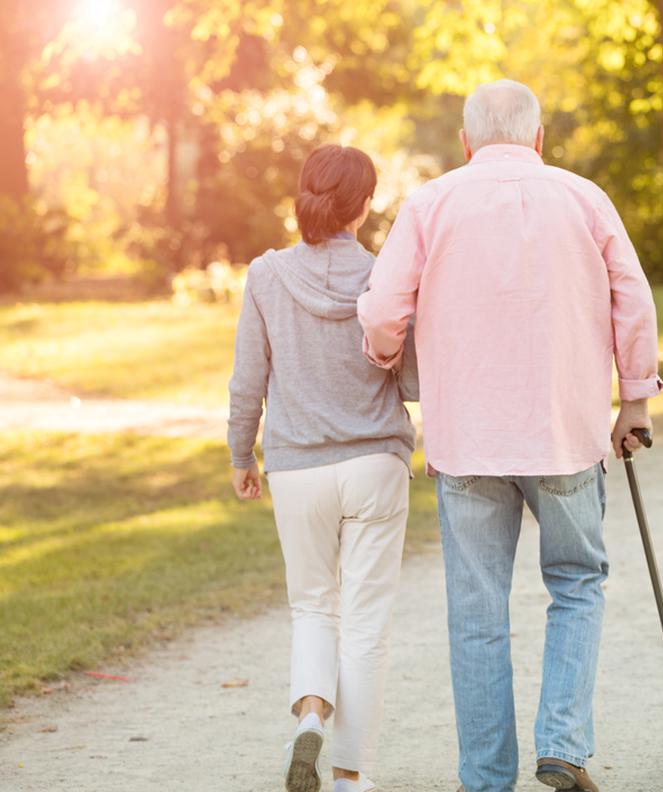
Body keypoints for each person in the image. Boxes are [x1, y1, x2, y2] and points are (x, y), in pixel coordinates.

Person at [358, 79, 663, 792]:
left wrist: (384, 358)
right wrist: (637, 401)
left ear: (466, 143)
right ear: (539, 137)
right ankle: (561, 742)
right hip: (567, 431)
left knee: (476, 612)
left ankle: (486, 779)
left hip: (468, 440)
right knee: (578, 583)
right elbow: (633, 296)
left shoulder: (430, 204)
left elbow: (380, 313)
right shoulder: (585, 199)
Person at [228, 144, 416, 792]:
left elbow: (247, 379)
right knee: (365, 624)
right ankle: (349, 774)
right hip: (375, 465)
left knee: (312, 607)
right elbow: (413, 379)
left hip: (297, 468)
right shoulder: (384, 276)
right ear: (363, 207)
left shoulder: (266, 275)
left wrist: (239, 455)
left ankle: (310, 715)